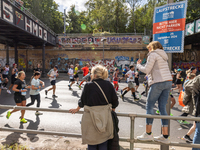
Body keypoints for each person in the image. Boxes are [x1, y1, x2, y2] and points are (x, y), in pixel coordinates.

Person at [69, 65, 119, 150]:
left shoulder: (88, 85)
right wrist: (112, 110)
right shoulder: (109, 84)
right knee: (103, 142)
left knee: (91, 143)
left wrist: (77, 109)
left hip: (90, 118)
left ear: (94, 75)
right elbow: (115, 101)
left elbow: (82, 101)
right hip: (105, 117)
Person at [136, 41, 172, 144]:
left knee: (150, 106)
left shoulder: (153, 54)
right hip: (168, 82)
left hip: (158, 82)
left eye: (149, 48)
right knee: (162, 108)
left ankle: (148, 134)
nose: (148, 50)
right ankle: (165, 136)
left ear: (152, 47)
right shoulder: (163, 56)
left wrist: (138, 65)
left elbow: (147, 69)